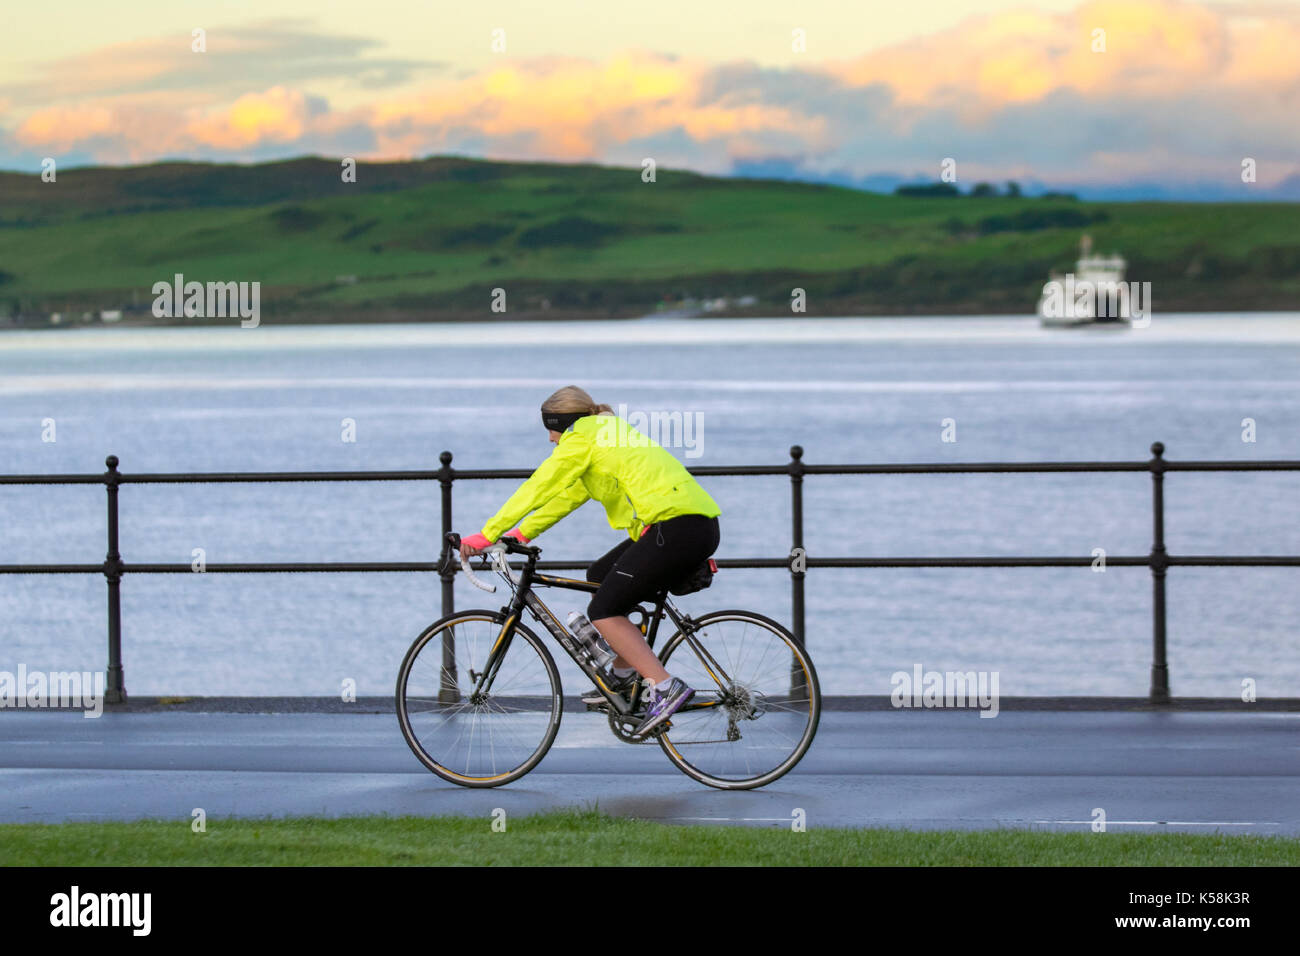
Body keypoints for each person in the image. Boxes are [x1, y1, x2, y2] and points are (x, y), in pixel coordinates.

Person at [459, 385, 721, 737]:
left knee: (603, 611)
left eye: (551, 430)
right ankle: (625, 675)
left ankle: (663, 685)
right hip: (689, 525)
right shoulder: (606, 433)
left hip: (674, 528)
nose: (551, 440)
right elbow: (569, 495)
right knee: (599, 575)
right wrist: (522, 534)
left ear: (563, 424)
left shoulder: (582, 439)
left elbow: (539, 486)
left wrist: (488, 534)